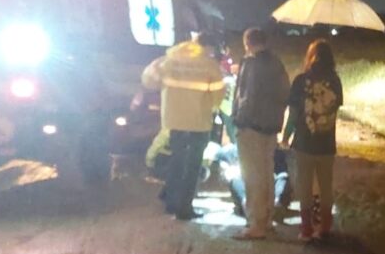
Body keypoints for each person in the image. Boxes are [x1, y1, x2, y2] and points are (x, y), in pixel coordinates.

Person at [141, 32, 226, 220]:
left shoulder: (169, 60)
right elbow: (218, 96)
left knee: (177, 160)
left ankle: (170, 201)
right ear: (208, 47)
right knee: (193, 166)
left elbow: (148, 80)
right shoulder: (209, 65)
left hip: (174, 120)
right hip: (199, 122)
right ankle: (184, 209)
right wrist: (210, 108)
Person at [231, 27, 290, 240]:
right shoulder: (277, 63)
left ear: (248, 42)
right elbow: (285, 94)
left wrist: (239, 120)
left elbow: (247, 97)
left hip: (251, 127)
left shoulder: (252, 64)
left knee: (252, 176)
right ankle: (267, 219)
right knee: (267, 174)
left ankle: (256, 224)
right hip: (270, 127)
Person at [282, 39, 343, 241]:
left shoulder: (300, 81)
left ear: (310, 57)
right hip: (327, 144)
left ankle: (306, 229)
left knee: (305, 186)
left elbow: (293, 113)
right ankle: (325, 227)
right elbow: (334, 110)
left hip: (304, 143)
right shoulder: (335, 81)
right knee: (326, 186)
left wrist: (286, 135)